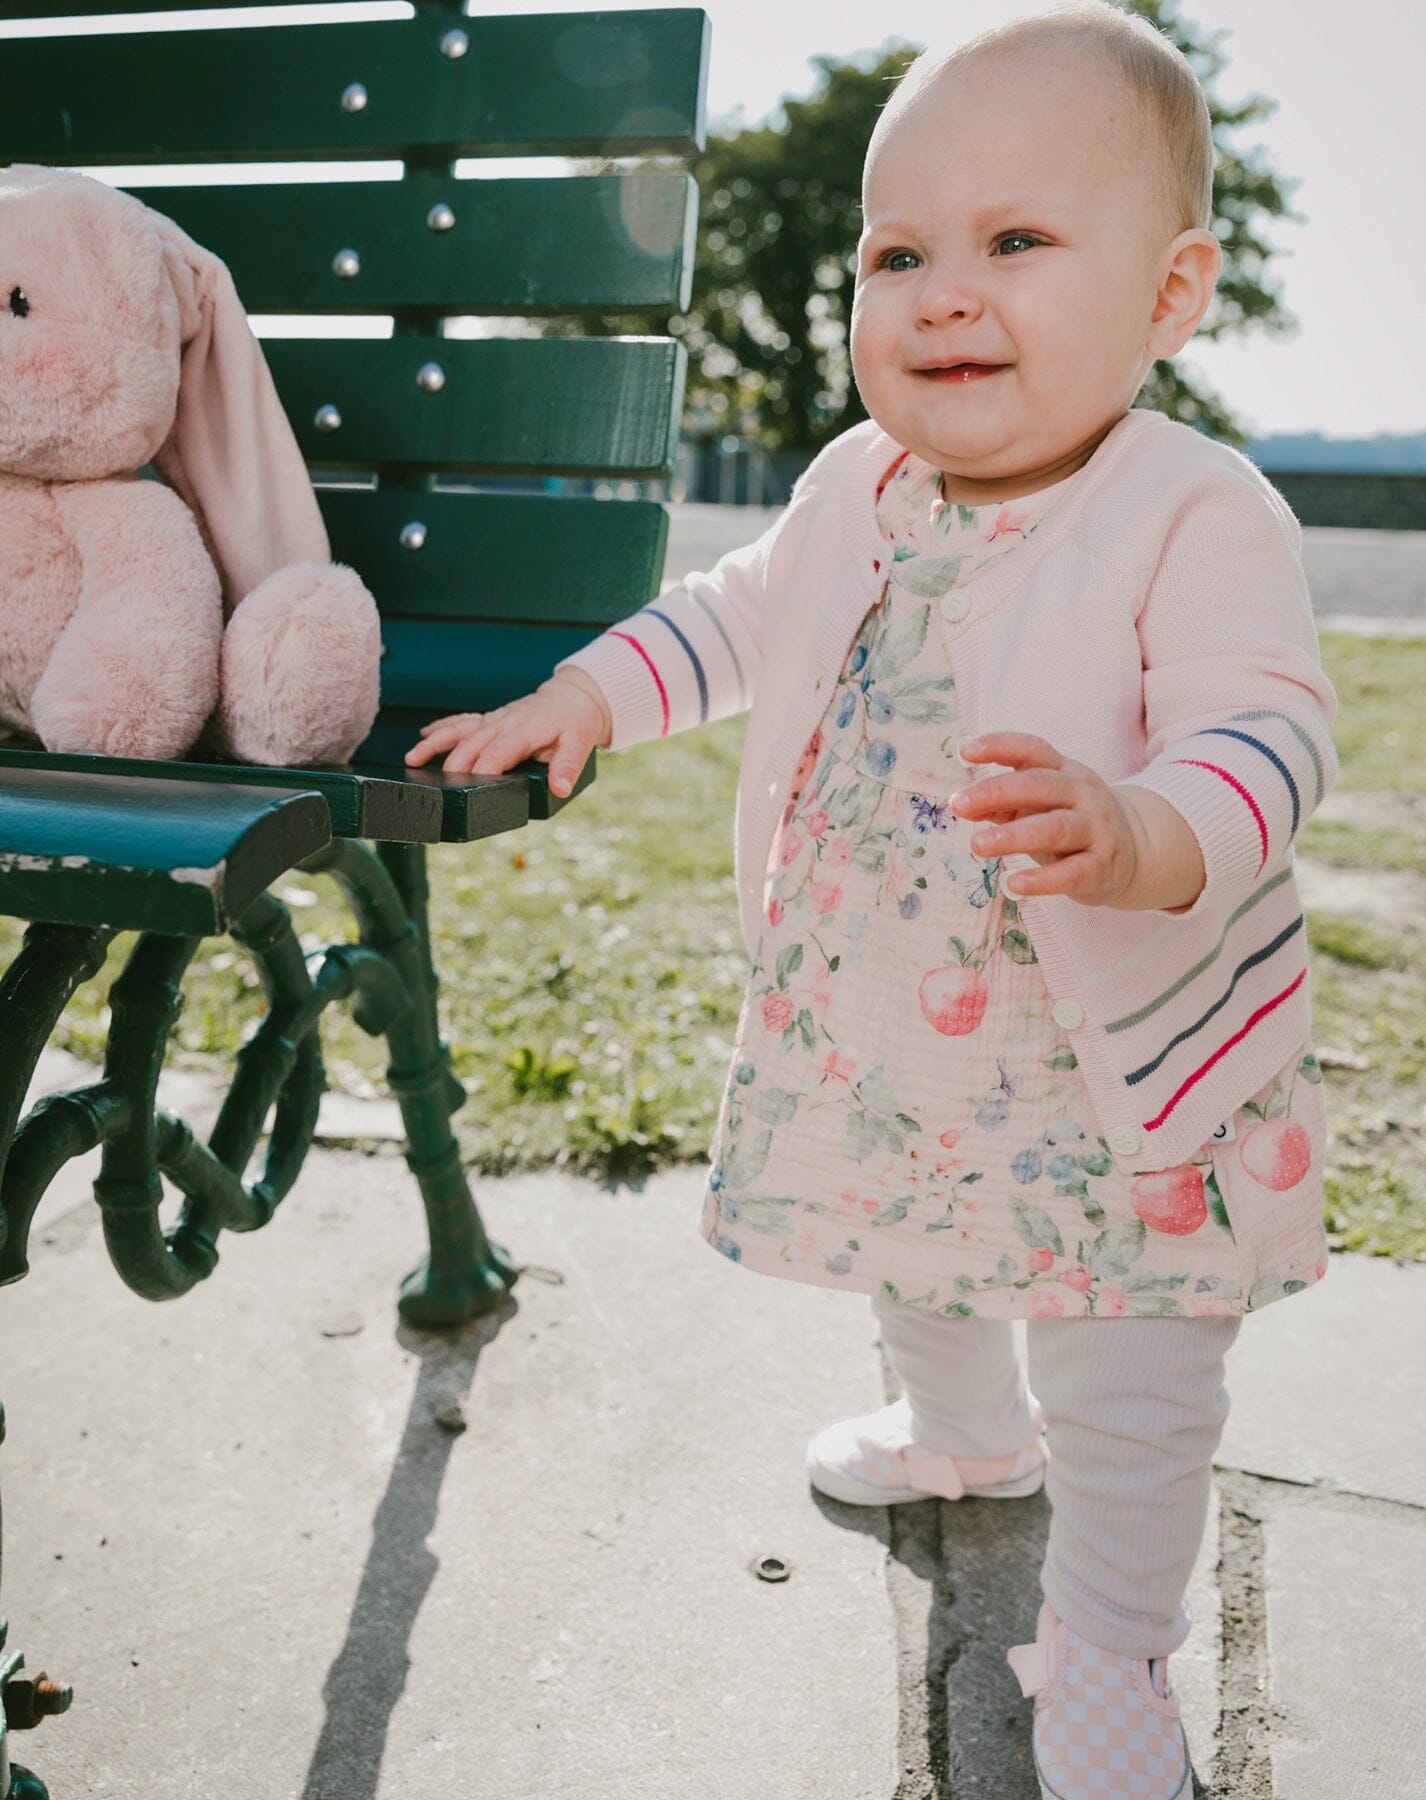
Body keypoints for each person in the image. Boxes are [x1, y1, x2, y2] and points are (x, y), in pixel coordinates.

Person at [408, 7, 1337, 1795]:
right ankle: (962, 1438)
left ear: (1170, 295)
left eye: (1015, 242)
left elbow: (1270, 728)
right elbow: (734, 617)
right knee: (919, 1246)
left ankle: (1116, 1649)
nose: (939, 294)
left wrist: (1148, 827)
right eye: (897, 251)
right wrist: (589, 695)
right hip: (900, 1034)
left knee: (1131, 1365)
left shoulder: (1192, 507)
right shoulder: (858, 483)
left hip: (1120, 1066)